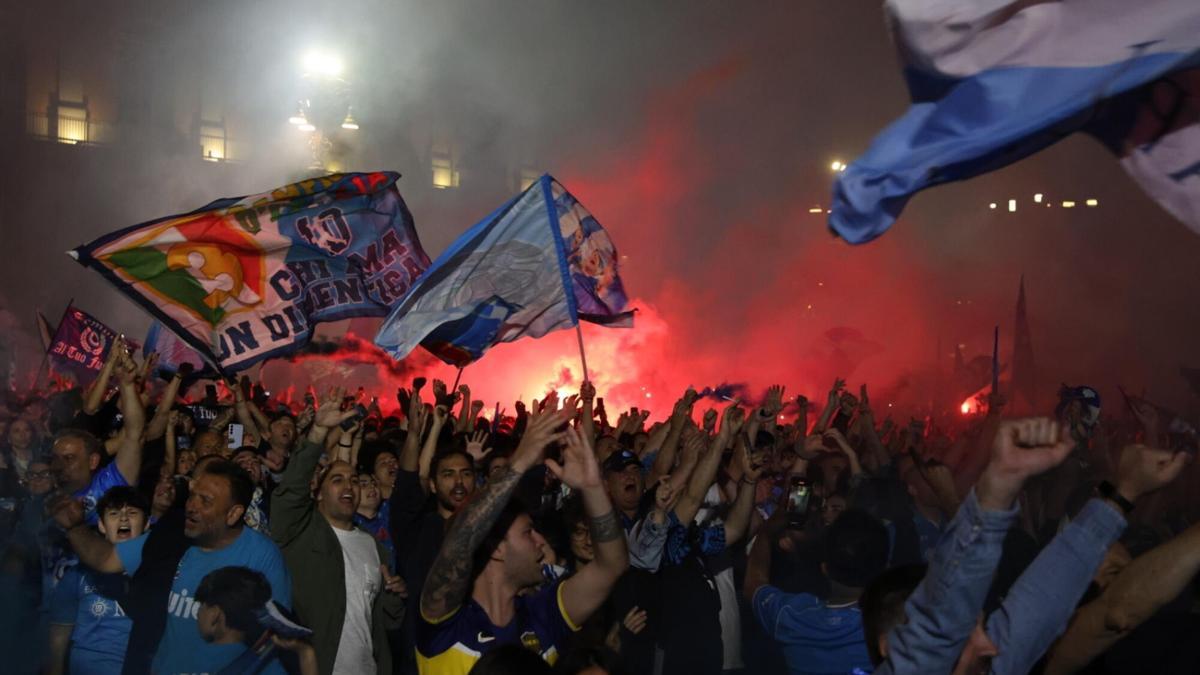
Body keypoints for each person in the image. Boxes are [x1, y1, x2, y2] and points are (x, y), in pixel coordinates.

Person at [416, 399, 628, 674]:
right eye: (528, 532)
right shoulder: (445, 624)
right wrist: (520, 460)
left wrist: (593, 489)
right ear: (496, 549)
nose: (541, 541)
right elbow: (461, 540)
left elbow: (612, 565)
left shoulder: (544, 614)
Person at [51, 459, 292, 674]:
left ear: (233, 514)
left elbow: (274, 642)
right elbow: (107, 559)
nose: (192, 506)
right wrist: (75, 527)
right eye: (192, 495)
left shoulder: (261, 557)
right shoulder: (171, 533)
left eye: (205, 501)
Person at [271, 387, 406, 675]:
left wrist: (395, 596)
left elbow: (385, 623)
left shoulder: (373, 546)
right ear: (318, 494)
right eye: (337, 480)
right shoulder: (300, 531)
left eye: (354, 480)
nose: (349, 486)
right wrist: (318, 431)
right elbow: (290, 491)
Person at [745, 507, 889, 675]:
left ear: (825, 568)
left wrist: (765, 534)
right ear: (884, 568)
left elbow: (753, 584)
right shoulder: (892, 624)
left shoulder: (791, 615)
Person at [48, 486, 149, 675]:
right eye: (114, 513)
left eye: (132, 513)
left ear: (146, 525)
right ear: (102, 525)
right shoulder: (77, 575)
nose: (124, 518)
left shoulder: (160, 573)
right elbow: (58, 637)